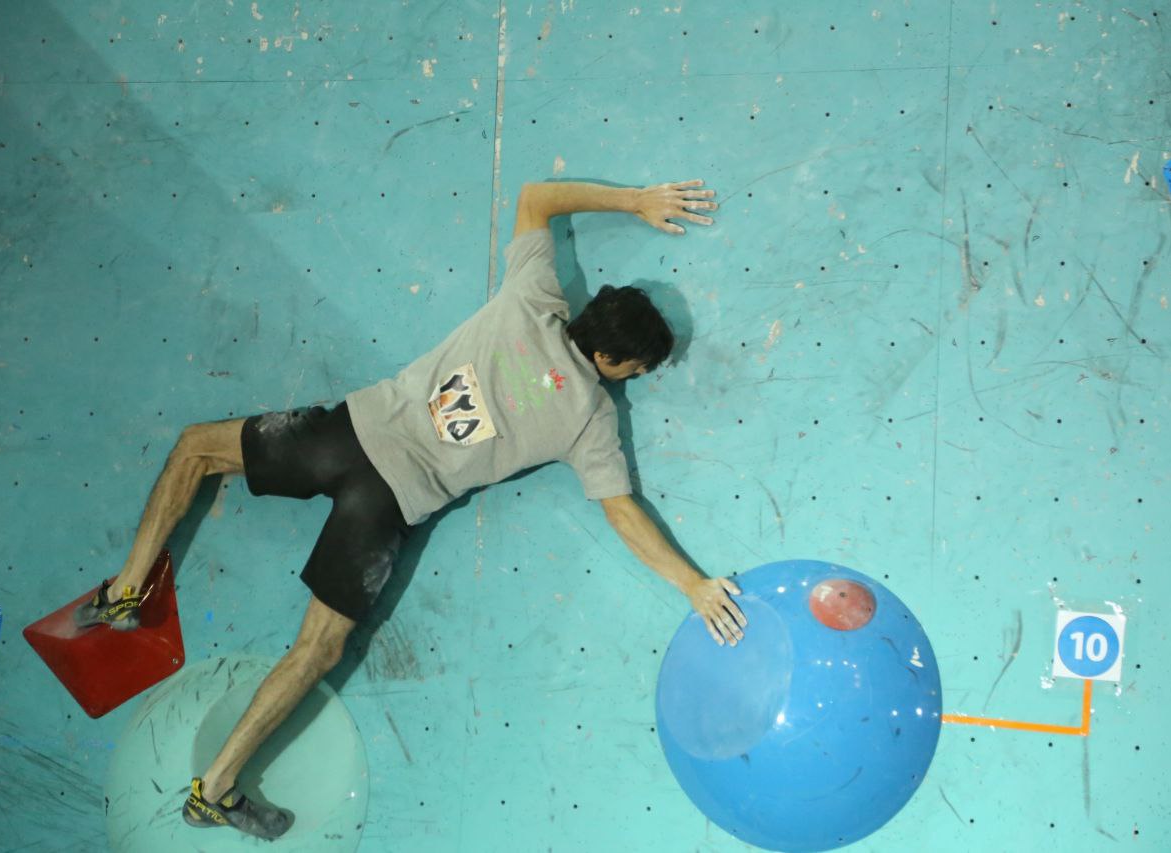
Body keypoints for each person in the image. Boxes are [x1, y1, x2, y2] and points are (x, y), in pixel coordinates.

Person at [72, 178, 748, 839]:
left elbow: (536, 197)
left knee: (195, 448)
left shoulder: (533, 297)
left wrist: (634, 201)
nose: (636, 378)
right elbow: (622, 510)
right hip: (387, 504)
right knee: (317, 649)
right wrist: (692, 584)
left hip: (346, 433)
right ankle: (215, 788)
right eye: (637, 368)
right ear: (606, 356)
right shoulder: (590, 418)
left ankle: (125, 590)